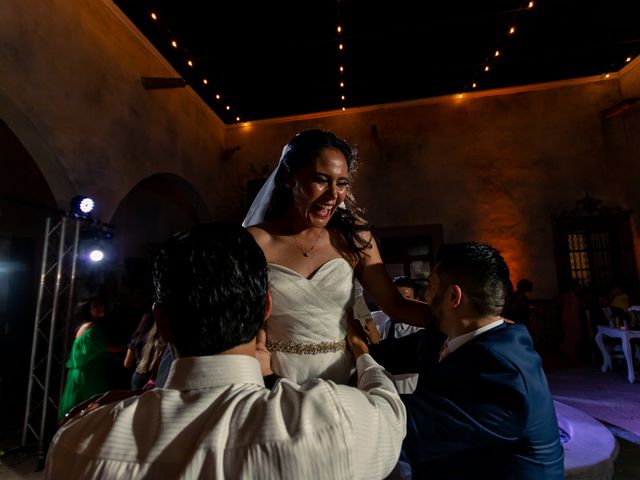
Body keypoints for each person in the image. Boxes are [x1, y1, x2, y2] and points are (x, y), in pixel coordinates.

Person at [45, 221, 406, 479]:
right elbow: (389, 407)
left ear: (163, 322)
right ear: (267, 306)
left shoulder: (78, 442)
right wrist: (361, 354)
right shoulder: (331, 420)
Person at [363, 242, 564, 479]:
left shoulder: (502, 372)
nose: (425, 296)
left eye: (429, 287)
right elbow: (385, 353)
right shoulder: (445, 336)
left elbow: (402, 428)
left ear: (454, 296)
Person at [244, 129, 428, 384]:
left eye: (341, 183)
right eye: (320, 180)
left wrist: (475, 320)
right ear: (288, 177)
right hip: (278, 379)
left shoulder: (354, 238)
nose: (333, 195)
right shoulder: (255, 242)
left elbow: (397, 306)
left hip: (344, 378)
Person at [58, 296, 115, 421]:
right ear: (87, 310)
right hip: (87, 376)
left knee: (79, 413)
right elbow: (105, 347)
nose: (101, 308)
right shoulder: (91, 327)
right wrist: (129, 348)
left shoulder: (83, 327)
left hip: (80, 374)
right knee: (90, 411)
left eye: (101, 305)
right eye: (95, 306)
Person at [367, 275, 425, 341]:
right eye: (395, 298)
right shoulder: (375, 317)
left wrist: (377, 340)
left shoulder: (419, 330)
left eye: (406, 299)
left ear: (416, 301)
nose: (400, 303)